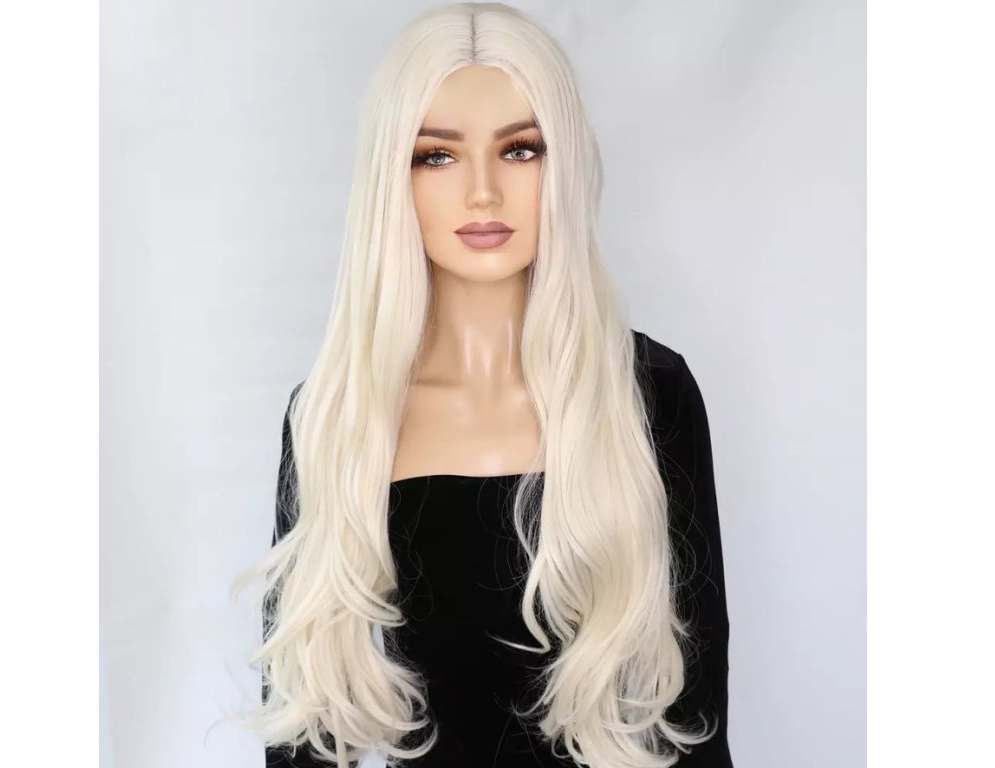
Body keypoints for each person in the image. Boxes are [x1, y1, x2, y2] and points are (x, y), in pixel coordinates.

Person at [233, 3, 732, 767]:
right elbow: (302, 733)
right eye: (437, 156)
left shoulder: (648, 394)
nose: (483, 193)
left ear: (563, 163)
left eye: (520, 150)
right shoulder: (338, 415)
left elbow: (693, 714)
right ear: (393, 177)